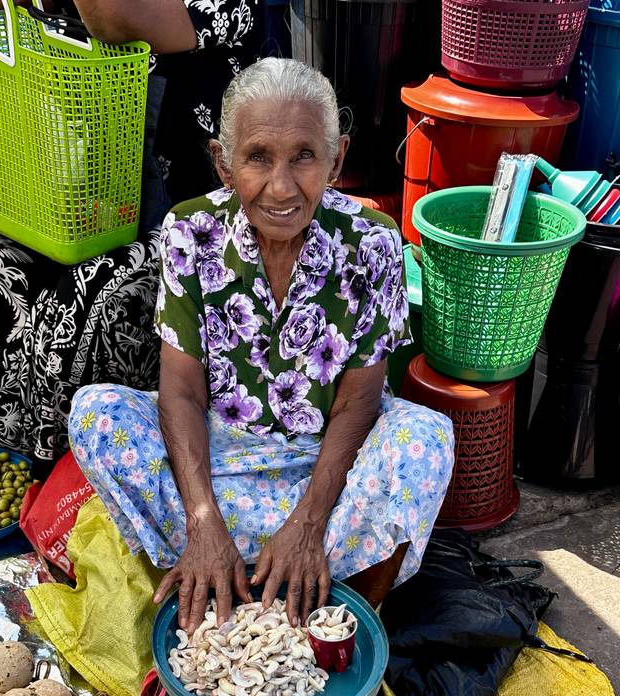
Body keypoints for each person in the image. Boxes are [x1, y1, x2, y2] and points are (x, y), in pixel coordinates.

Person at [68, 58, 455, 630]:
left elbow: (358, 405)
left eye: (304, 155)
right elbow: (180, 394)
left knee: (426, 437)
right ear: (223, 163)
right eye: (257, 158)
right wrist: (202, 521)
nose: (281, 187)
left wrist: (309, 519)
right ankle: (215, 559)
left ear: (338, 158)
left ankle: (337, 598)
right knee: (97, 413)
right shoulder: (189, 231)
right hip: (214, 467)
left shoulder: (373, 242)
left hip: (326, 469)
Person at [0, 0, 263, 466]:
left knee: (97, 288)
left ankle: (70, 473)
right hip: (84, 176)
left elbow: (115, 16)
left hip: (191, 217)